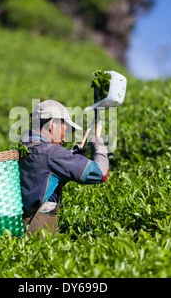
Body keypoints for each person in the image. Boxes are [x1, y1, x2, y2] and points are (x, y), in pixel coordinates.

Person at [18, 99, 109, 239]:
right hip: (38, 238)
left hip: (19, 232)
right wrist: (98, 144)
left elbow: (43, 176)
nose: (64, 138)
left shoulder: (23, 147)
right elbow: (100, 173)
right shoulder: (52, 153)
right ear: (52, 125)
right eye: (63, 130)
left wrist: (70, 156)